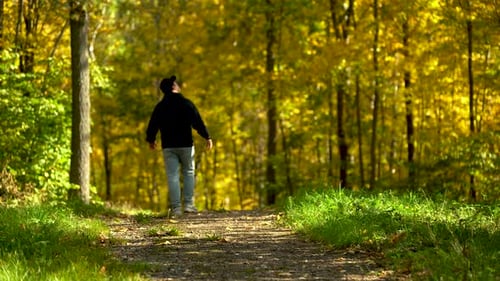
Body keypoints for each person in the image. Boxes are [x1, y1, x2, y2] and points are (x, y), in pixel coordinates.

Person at [146, 75, 213, 217]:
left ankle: (176, 208)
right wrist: (207, 136)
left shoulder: (160, 106)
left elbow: (153, 124)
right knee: (189, 172)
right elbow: (197, 122)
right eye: (175, 83)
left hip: (168, 146)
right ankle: (188, 205)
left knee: (172, 176)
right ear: (174, 87)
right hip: (186, 145)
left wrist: (151, 140)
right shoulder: (186, 103)